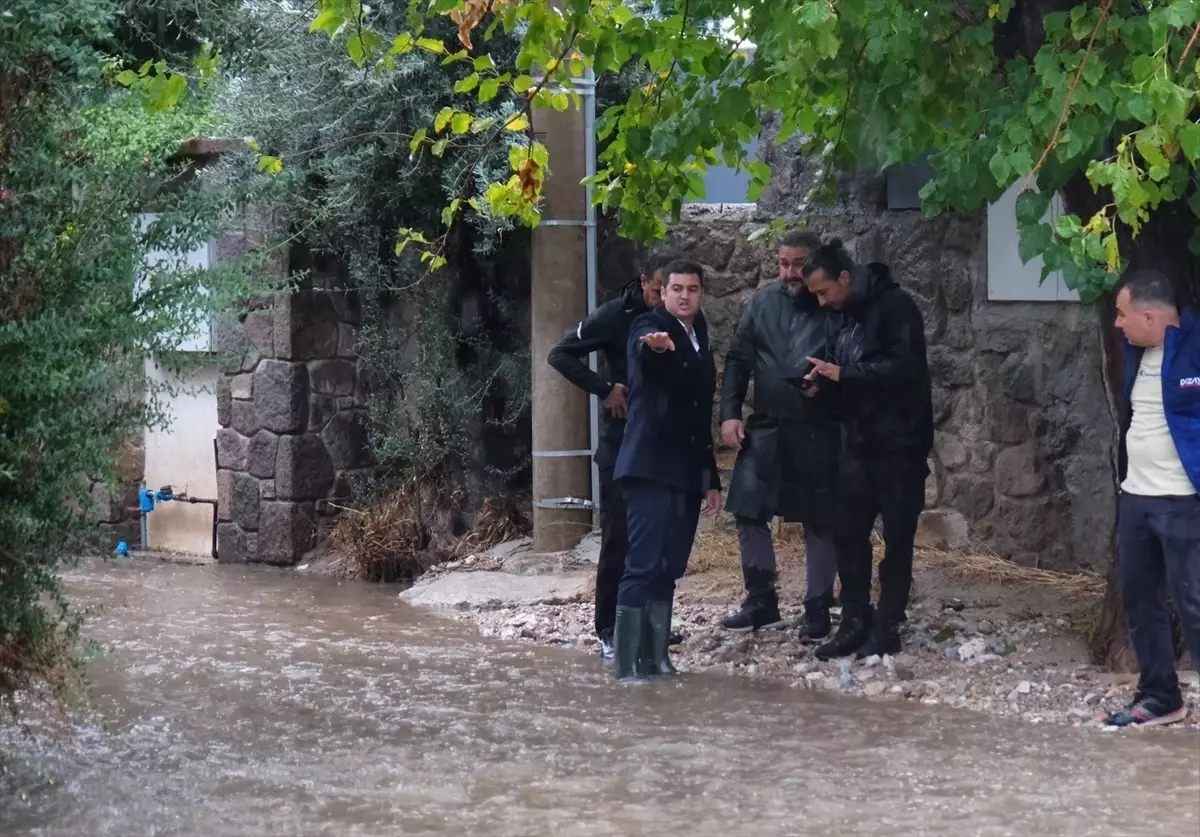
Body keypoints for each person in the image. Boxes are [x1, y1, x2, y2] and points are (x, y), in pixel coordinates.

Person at [547, 248, 682, 659]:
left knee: (658, 539)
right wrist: (605, 390)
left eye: (672, 291)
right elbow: (560, 354)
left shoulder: (682, 318)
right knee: (619, 538)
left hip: (663, 444)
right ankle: (608, 626)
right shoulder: (613, 315)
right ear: (644, 283)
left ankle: (650, 623)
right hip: (620, 445)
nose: (666, 299)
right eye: (659, 291)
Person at [801, 239, 933, 661]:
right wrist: (819, 381)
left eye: (824, 292)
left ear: (845, 277)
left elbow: (906, 369)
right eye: (815, 296)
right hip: (856, 441)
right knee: (848, 533)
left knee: (898, 539)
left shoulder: (896, 307)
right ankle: (854, 618)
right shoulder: (838, 316)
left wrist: (847, 374)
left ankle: (888, 623)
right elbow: (836, 364)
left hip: (900, 444)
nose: (821, 302)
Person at [719, 230, 841, 639]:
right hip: (767, 424)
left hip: (817, 426)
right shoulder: (762, 302)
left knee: (821, 518)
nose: (790, 273)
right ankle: (761, 600)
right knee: (748, 509)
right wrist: (730, 415)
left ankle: (818, 607)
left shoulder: (832, 307)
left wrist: (825, 388)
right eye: (783, 263)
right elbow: (738, 359)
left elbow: (848, 364)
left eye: (798, 264)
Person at [612, 259, 723, 680]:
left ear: (701, 294)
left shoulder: (700, 333)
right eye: (676, 288)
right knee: (642, 564)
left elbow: (699, 415)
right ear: (663, 291)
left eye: (692, 289)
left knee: (669, 566)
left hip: (686, 470)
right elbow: (647, 351)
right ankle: (627, 669)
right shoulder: (648, 325)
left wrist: (709, 478)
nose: (684, 296)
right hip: (649, 466)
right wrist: (654, 347)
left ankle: (656, 658)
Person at [1105, 267, 1200, 727]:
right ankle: (1162, 696)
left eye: (1123, 315)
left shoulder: (1195, 350)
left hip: (1183, 501)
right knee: (1141, 600)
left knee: (1194, 603)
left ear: (1148, 315)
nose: (1117, 324)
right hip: (1136, 499)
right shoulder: (1135, 352)